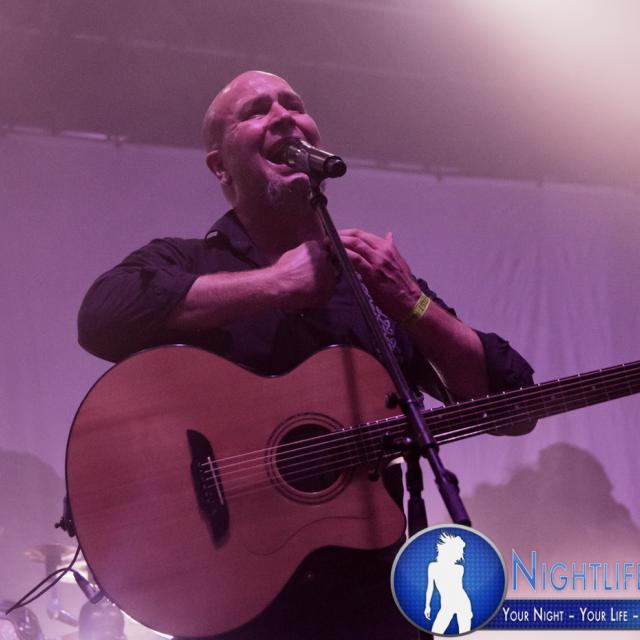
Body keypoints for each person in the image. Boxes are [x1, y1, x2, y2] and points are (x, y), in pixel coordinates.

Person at [77, 70, 535, 640]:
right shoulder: (189, 262)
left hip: (373, 605)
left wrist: (413, 304)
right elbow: (101, 316)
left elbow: (514, 402)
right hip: (239, 609)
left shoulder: (372, 282)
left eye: (293, 104)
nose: (283, 116)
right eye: (256, 111)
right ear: (220, 166)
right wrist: (275, 285)